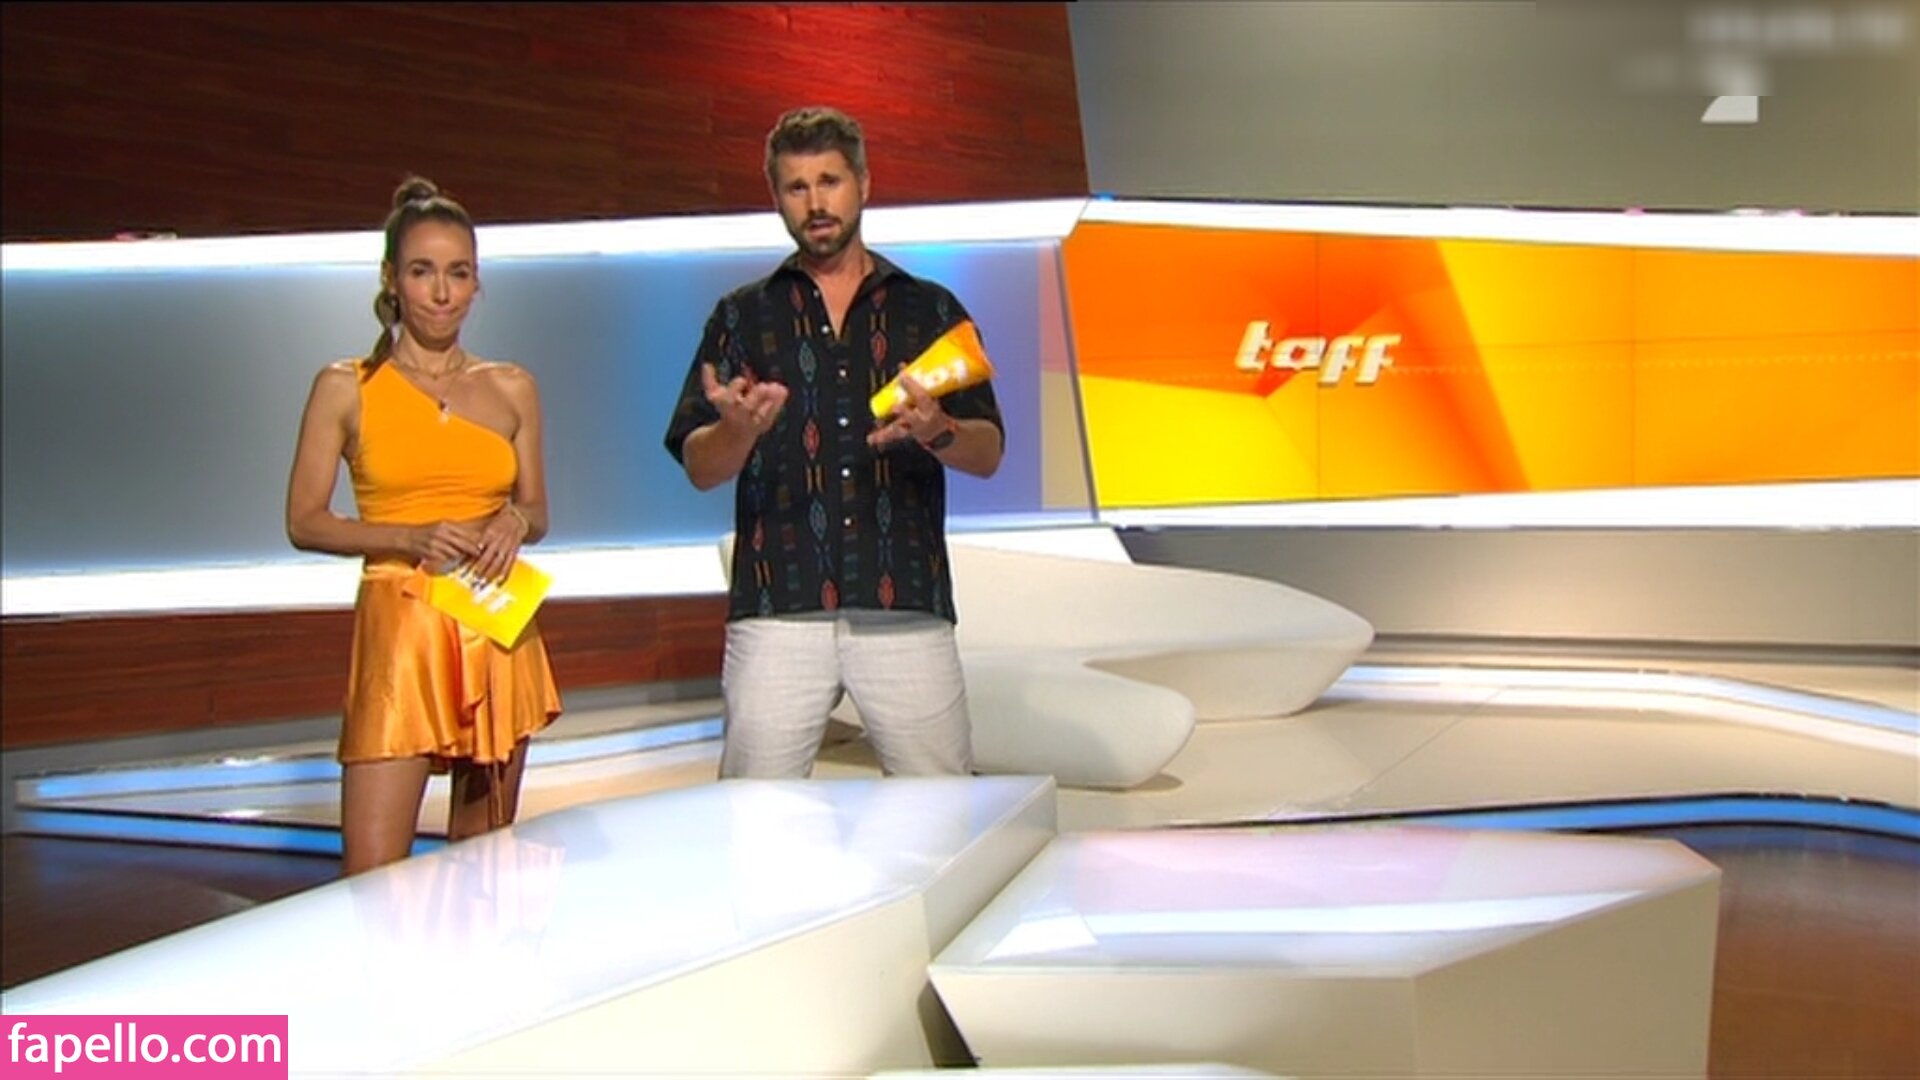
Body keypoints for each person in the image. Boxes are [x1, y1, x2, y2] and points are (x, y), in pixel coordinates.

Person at [664, 105, 1005, 780]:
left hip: (904, 604)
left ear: (863, 185)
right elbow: (700, 467)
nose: (815, 203)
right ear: (777, 199)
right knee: (754, 815)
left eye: (830, 181)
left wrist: (937, 430)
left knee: (941, 812)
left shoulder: (931, 310)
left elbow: (989, 452)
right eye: (797, 187)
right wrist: (738, 430)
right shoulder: (742, 315)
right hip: (778, 611)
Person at [286, 176, 561, 875]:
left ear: (477, 284)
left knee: (484, 869)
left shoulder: (512, 386)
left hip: (494, 624)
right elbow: (305, 521)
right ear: (391, 279)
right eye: (422, 271)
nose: (442, 292)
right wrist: (408, 538)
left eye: (458, 273)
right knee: (372, 879)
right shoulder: (345, 386)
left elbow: (538, 510)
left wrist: (513, 520)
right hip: (401, 634)